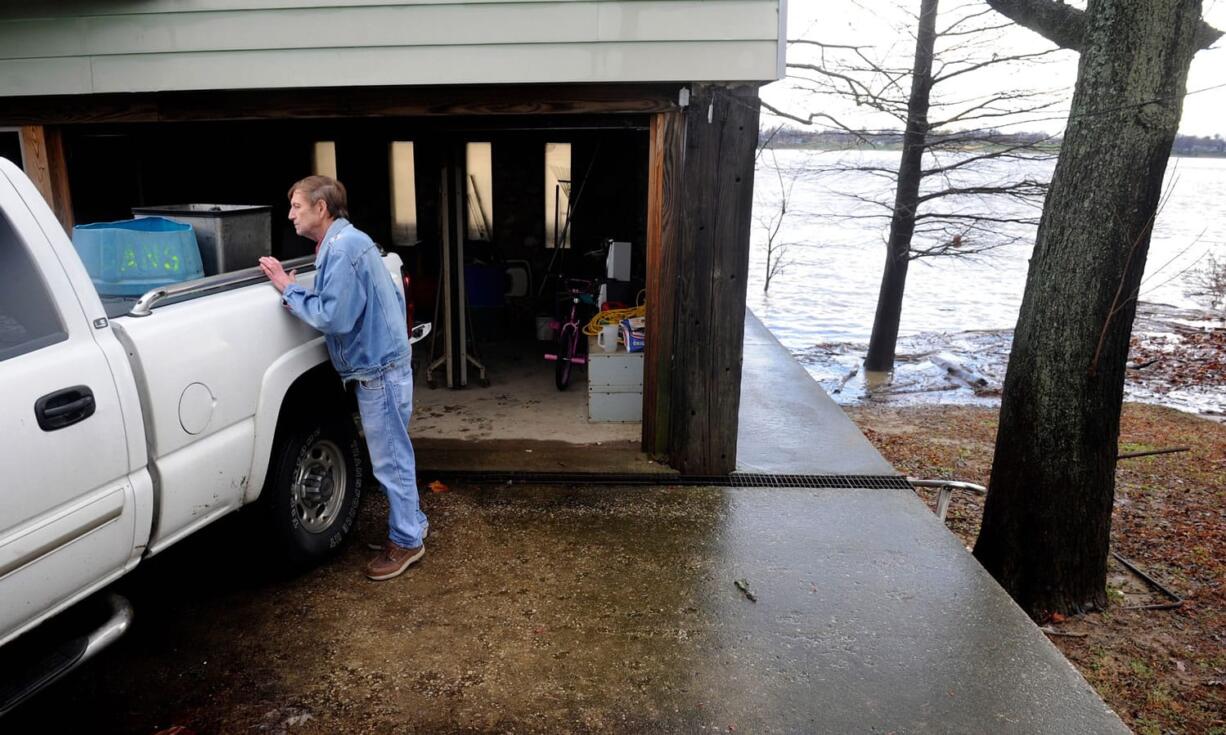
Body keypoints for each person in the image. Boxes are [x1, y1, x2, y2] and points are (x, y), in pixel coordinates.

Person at [259, 175, 427, 581]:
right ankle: (411, 526)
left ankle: (406, 542)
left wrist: (287, 287)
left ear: (321, 208)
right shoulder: (347, 242)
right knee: (394, 454)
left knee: (390, 461)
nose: (290, 215)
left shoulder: (342, 248)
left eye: (297, 206)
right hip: (383, 367)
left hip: (379, 372)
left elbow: (335, 317)